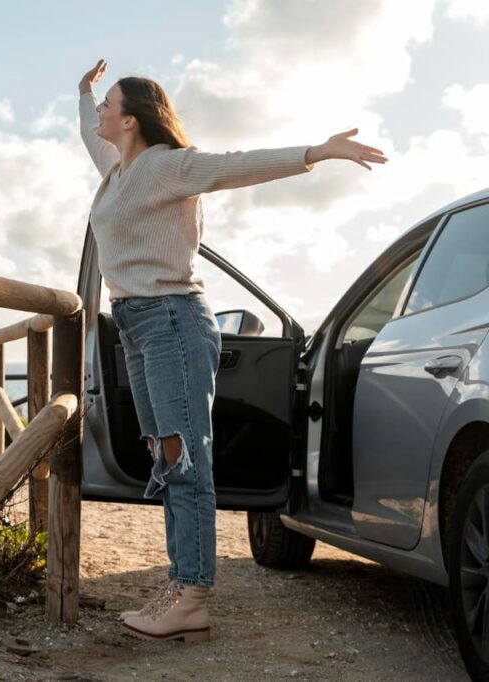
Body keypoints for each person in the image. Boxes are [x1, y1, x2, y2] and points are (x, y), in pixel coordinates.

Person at [77, 58, 386, 643]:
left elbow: (236, 168)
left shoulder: (168, 167)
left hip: (172, 320)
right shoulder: (116, 168)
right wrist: (83, 90)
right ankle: (180, 581)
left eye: (106, 105)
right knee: (164, 456)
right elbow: (84, 131)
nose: (98, 114)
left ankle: (192, 596)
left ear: (132, 119)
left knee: (184, 457)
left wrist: (315, 153)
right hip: (137, 325)